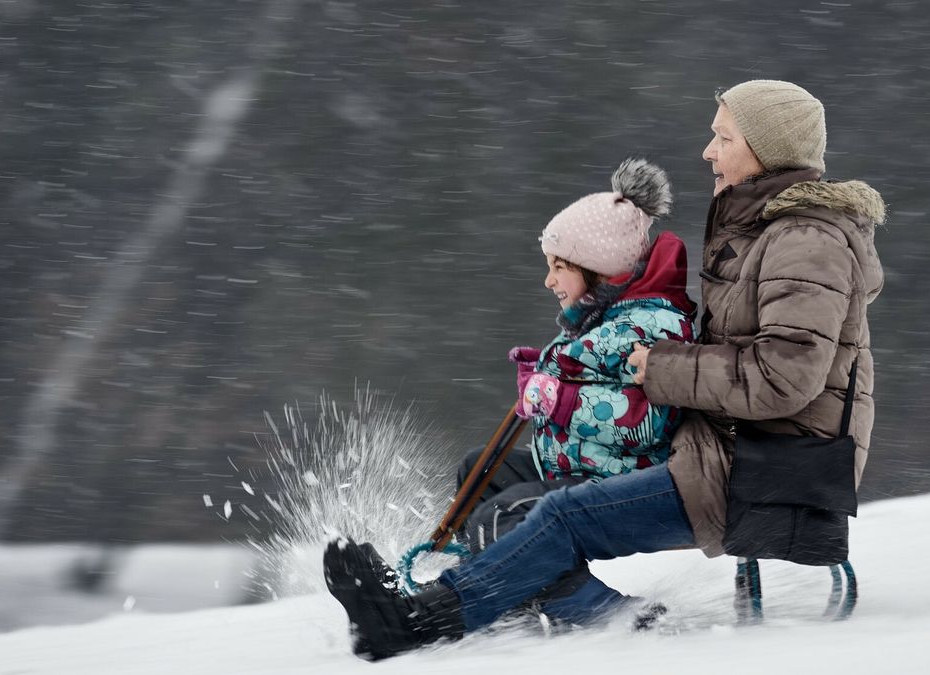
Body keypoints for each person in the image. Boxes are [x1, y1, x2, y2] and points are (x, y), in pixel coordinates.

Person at [324, 79, 886, 662]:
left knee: (561, 516)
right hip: (719, 444)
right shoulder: (762, 231)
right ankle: (517, 609)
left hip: (773, 468)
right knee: (491, 473)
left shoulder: (803, 242)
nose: (707, 150)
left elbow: (784, 378)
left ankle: (420, 622)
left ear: (768, 152)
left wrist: (660, 367)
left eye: (723, 137)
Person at [449, 158, 695, 626]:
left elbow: (644, 423)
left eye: (559, 267)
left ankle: (607, 615)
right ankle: (510, 590)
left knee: (503, 514)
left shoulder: (649, 326)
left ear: (600, 268)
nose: (549, 281)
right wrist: (545, 374)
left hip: (627, 481)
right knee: (479, 469)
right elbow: (587, 376)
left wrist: (558, 399)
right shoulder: (599, 321)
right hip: (583, 467)